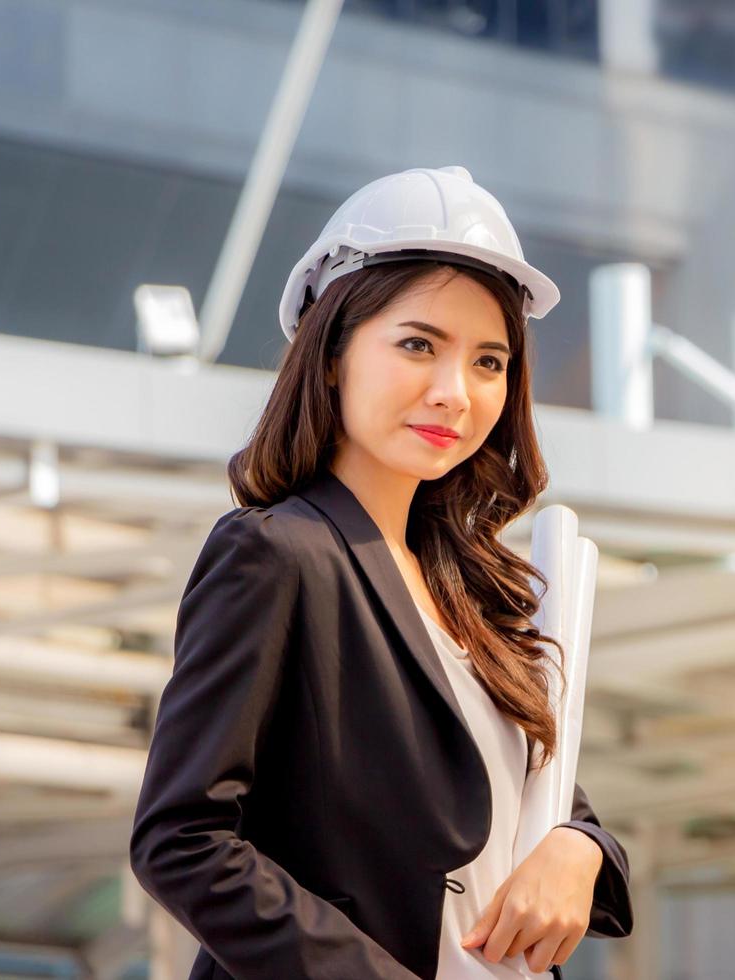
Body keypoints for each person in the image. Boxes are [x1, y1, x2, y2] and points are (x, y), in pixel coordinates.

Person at [129, 166, 633, 980]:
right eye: (417, 345)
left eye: (488, 362)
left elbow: (541, 804)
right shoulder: (277, 554)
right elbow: (181, 840)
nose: (453, 393)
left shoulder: (475, 598)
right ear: (330, 354)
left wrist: (581, 849)